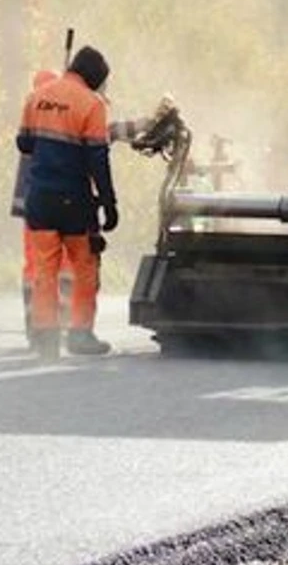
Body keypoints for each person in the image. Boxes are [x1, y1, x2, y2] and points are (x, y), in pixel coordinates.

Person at [11, 69, 173, 338]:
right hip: (64, 204)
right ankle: (71, 330)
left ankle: (42, 332)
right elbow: (105, 138)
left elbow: (110, 132)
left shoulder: (38, 118)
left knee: (42, 271)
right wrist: (107, 202)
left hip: (37, 209)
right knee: (74, 268)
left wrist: (147, 124)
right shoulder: (70, 117)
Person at [17, 47, 121, 359]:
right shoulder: (92, 104)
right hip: (75, 201)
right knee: (86, 266)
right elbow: (97, 158)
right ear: (94, 78)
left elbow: (24, 142)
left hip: (39, 199)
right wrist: (108, 202)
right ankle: (80, 334)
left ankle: (46, 338)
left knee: (45, 271)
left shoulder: (37, 96)